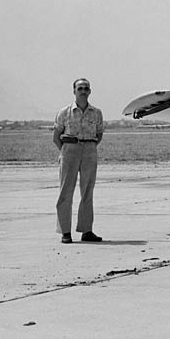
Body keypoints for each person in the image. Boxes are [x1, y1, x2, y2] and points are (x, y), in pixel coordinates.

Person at [53, 78, 104, 244]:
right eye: (80, 88)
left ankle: (86, 230)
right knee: (66, 192)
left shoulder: (96, 113)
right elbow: (56, 137)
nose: (83, 91)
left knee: (87, 192)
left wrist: (90, 146)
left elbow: (99, 133)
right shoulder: (64, 112)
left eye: (86, 88)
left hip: (89, 149)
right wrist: (66, 151)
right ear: (74, 91)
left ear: (90, 91)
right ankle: (65, 232)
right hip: (70, 150)